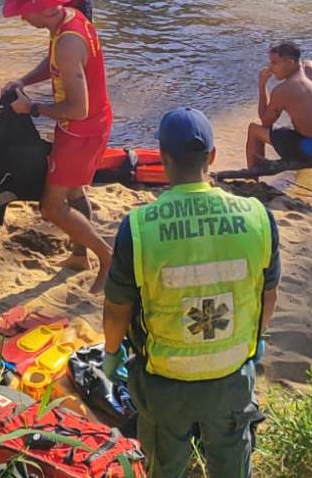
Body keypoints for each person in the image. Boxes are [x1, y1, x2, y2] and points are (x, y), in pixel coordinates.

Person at [103, 108, 280, 478]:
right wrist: (259, 337)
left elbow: (117, 308)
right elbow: (269, 294)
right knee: (232, 460)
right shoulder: (258, 217)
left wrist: (112, 351)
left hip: (165, 382)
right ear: (212, 157)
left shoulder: (139, 228)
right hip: (232, 377)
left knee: (165, 465)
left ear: (162, 157)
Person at [2, 0, 113, 292]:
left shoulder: (68, 42)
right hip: (81, 126)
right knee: (74, 192)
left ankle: (106, 256)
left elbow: (78, 109)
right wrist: (24, 81)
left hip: (81, 130)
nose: (22, 19)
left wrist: (32, 108)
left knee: (51, 206)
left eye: (24, 13)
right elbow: (55, 64)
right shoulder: (68, 19)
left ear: (43, 9)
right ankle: (79, 256)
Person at [245, 41, 312, 169]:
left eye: (274, 63)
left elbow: (265, 122)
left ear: (290, 63)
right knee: (295, 125)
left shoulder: (284, 89)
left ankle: (253, 177)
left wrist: (262, 85)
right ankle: (304, 175)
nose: (270, 68)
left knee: (254, 129)